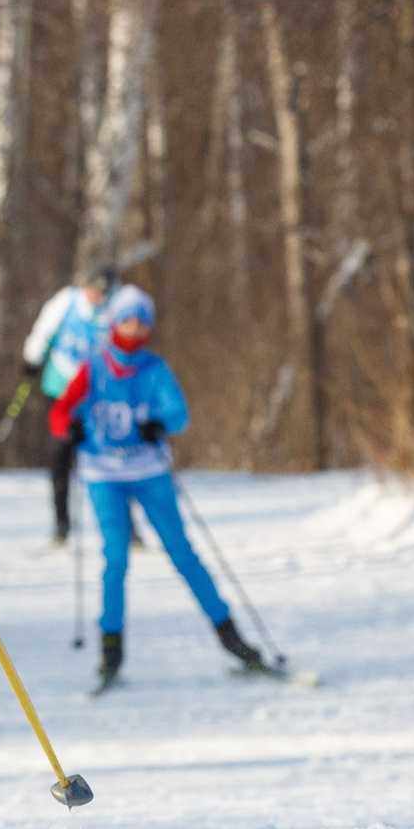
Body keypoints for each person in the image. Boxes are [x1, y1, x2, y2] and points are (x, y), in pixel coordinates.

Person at [48, 286, 270, 692]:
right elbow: (60, 412)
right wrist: (70, 428)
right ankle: (111, 649)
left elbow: (179, 414)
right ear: (114, 324)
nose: (134, 330)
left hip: (149, 472)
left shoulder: (154, 368)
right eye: (127, 322)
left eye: (141, 323)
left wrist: (159, 425)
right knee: (116, 558)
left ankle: (232, 638)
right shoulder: (93, 367)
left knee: (182, 552)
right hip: (103, 474)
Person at [23, 267, 116, 543]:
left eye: (103, 293)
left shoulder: (112, 311)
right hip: (60, 389)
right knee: (60, 456)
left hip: (95, 394)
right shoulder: (67, 301)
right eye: (94, 290)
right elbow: (44, 330)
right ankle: (61, 525)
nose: (97, 297)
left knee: (112, 458)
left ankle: (124, 526)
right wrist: (32, 358)